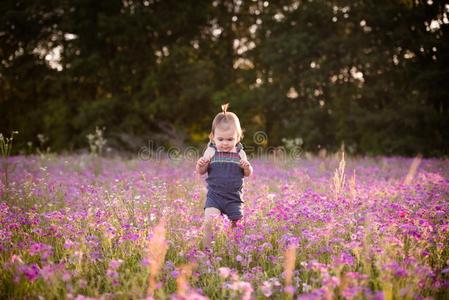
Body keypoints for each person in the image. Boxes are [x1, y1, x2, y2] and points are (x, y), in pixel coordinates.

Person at [196, 104, 253, 246]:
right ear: (212, 137)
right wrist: (201, 164)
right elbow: (201, 171)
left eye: (230, 139)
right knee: (209, 222)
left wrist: (247, 167)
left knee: (236, 230)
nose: (225, 143)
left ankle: (233, 250)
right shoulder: (210, 151)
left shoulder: (240, 153)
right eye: (220, 139)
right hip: (215, 197)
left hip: (234, 199)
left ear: (238, 138)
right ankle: (207, 250)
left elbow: (248, 173)